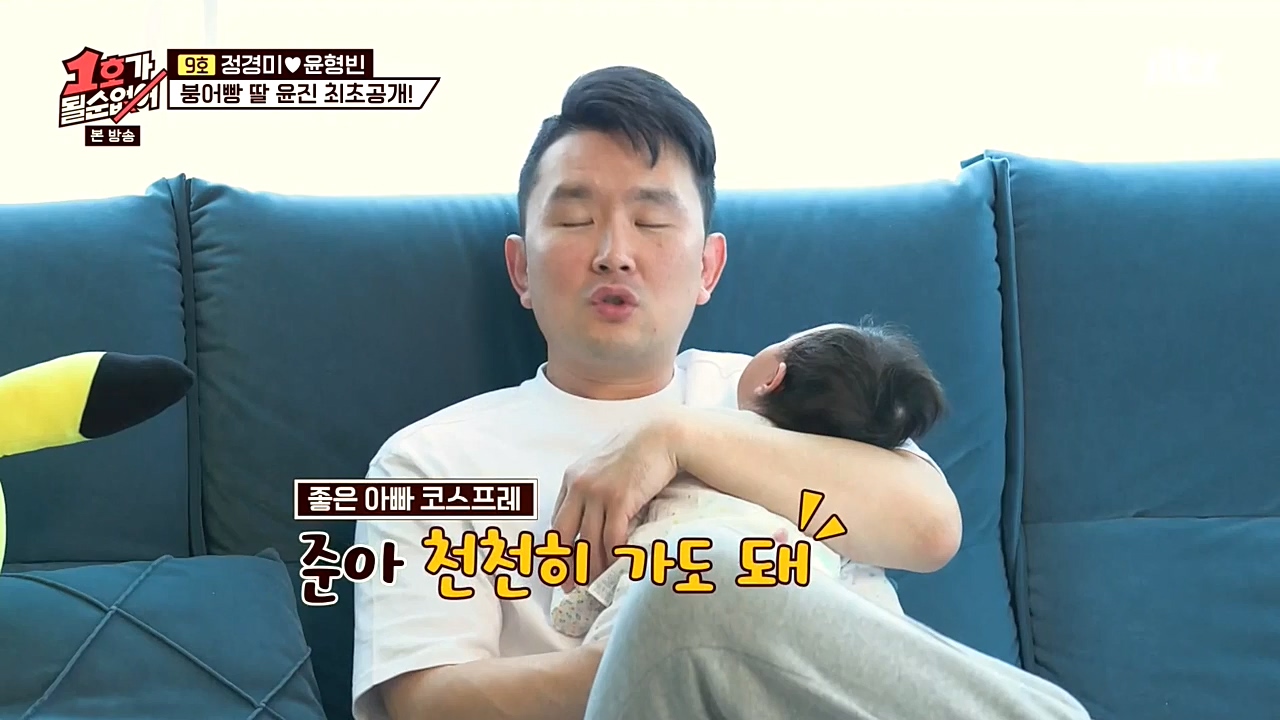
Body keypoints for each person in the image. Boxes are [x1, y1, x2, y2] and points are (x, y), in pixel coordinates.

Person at [351, 65, 1092, 720]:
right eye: (575, 219)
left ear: (708, 268)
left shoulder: (782, 390)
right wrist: (656, 649)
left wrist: (676, 437)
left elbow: (929, 527)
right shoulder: (429, 462)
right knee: (696, 582)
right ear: (520, 270)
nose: (614, 253)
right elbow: (425, 702)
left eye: (651, 220)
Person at [547, 321, 946, 641]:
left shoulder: (698, 438)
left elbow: (935, 530)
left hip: (657, 608)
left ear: (772, 378)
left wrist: (671, 435)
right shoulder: (848, 492)